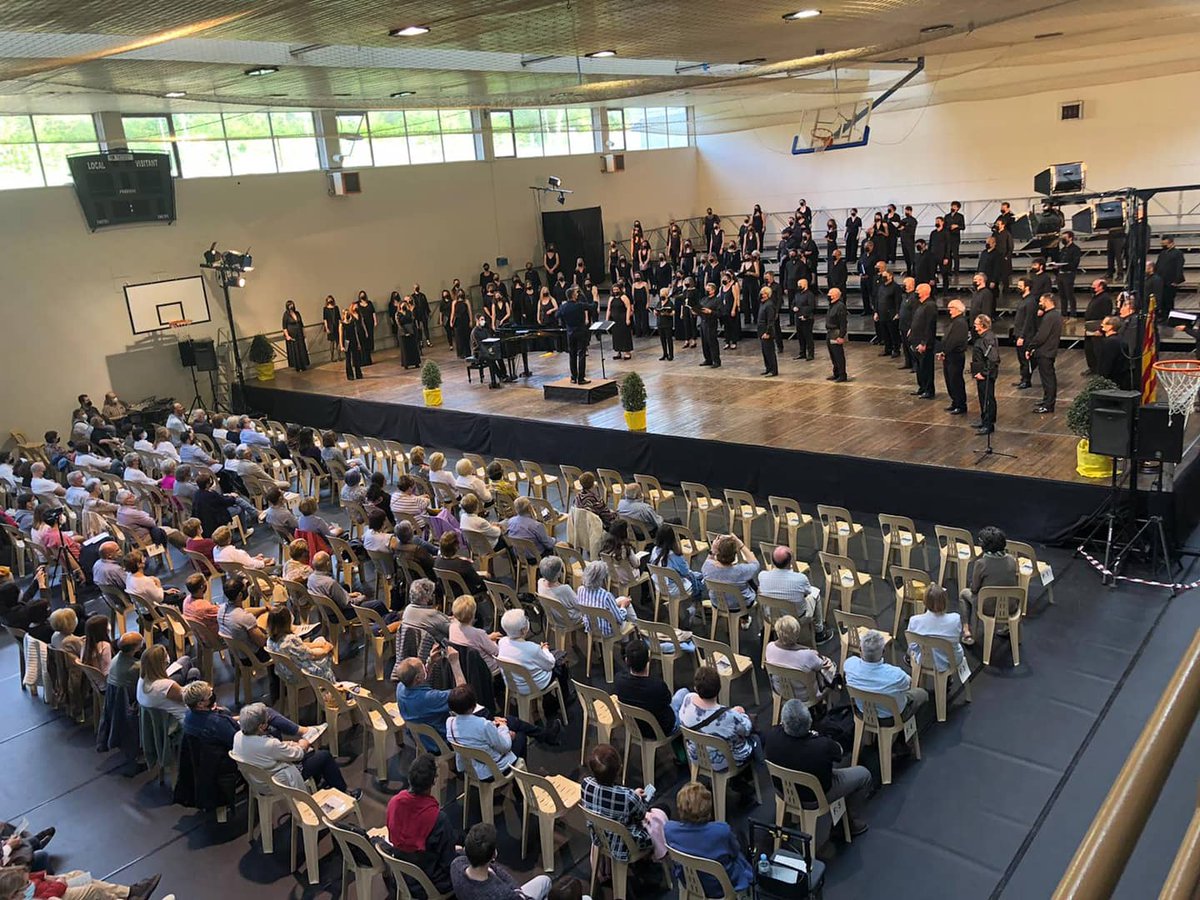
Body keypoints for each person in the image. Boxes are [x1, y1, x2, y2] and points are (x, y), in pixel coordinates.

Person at [764, 699, 871, 836]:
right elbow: (839, 752)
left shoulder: (771, 736)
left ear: (784, 723)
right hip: (817, 796)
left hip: (783, 791)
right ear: (809, 722)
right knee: (864, 774)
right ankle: (848, 823)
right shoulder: (822, 745)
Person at [232, 701, 356, 795]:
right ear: (261, 727)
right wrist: (303, 743)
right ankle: (343, 792)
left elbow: (271, 750)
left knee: (312, 755)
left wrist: (288, 745)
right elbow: (298, 755)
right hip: (278, 782)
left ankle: (319, 784)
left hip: (259, 781)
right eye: (266, 721)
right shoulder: (270, 745)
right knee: (323, 756)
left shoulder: (238, 736)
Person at [382, 753, 457, 897]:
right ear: (433, 781)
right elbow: (448, 863)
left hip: (401, 874)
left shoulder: (394, 803)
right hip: (428, 882)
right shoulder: (438, 819)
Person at [581, 743, 669, 865]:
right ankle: (659, 854)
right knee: (662, 809)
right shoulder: (628, 797)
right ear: (619, 769)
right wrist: (638, 798)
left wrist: (634, 795)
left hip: (601, 837)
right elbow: (641, 815)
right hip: (626, 845)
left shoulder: (586, 784)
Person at [664, 782, 755, 898]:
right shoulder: (721, 831)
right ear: (708, 808)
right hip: (723, 886)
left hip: (691, 883)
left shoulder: (669, 829)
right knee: (741, 840)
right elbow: (734, 852)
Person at [677, 666, 759, 789]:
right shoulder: (729, 716)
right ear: (719, 688)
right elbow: (747, 730)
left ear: (696, 688)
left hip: (697, 757)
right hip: (725, 763)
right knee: (757, 738)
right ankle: (746, 779)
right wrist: (740, 713)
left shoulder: (687, 699)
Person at [447, 684, 547, 776]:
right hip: (495, 769)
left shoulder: (450, 723)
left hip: (473, 768)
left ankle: (545, 736)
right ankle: (521, 778)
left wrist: (495, 724)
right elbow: (505, 747)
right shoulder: (483, 724)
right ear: (474, 705)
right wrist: (504, 728)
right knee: (520, 736)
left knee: (511, 721)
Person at [182, 680, 300, 749]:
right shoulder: (217, 723)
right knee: (269, 721)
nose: (212, 694)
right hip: (241, 748)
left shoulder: (188, 716)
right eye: (209, 694)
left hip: (219, 750)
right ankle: (288, 743)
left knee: (262, 711)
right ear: (200, 704)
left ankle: (299, 731)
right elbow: (239, 740)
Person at [497, 608, 571, 717]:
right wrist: (544, 650)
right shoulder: (532, 648)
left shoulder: (502, 642)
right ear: (523, 630)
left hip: (513, 683)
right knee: (560, 661)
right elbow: (550, 665)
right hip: (535, 685)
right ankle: (564, 700)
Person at [451, 822, 552, 900]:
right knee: (545, 881)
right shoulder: (502, 893)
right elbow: (518, 895)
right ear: (494, 854)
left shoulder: (456, 865)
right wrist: (517, 891)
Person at [844, 629, 927, 721]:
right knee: (922, 694)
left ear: (860, 649)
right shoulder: (897, 675)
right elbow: (908, 684)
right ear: (883, 651)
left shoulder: (849, 665)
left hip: (863, 713)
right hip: (892, 719)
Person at [395, 647, 467, 747]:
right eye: (423, 667)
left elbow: (419, 681)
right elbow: (463, 694)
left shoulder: (400, 687)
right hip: (440, 742)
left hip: (420, 738)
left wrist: (431, 662)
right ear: (418, 678)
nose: (425, 667)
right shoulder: (429, 698)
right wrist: (455, 663)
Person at [615, 638, 680, 737]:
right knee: (684, 693)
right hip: (663, 730)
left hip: (635, 728)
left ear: (627, 660)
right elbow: (668, 701)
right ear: (648, 659)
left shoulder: (619, 680)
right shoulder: (657, 686)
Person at [757, 546, 827, 639]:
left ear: (772, 561)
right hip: (797, 618)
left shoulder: (762, 576)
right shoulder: (800, 578)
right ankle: (819, 631)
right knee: (815, 592)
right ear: (790, 561)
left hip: (772, 617)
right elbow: (808, 592)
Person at [765, 615, 837, 703]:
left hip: (780, 692)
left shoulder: (769, 648)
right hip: (806, 696)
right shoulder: (807, 655)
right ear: (797, 634)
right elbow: (822, 666)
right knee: (828, 666)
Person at [0, 865, 161, 900]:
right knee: (91, 890)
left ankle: (129, 892)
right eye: (26, 885)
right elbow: (44, 896)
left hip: (49, 889)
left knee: (78, 874)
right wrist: (59, 884)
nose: (29, 884)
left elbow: (26, 877)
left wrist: (43, 876)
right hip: (53, 893)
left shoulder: (10, 881)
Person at [266, 604, 337, 682]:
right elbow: (312, 655)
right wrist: (326, 649)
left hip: (286, 672)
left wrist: (318, 645)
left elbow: (300, 646)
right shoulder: (290, 640)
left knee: (320, 640)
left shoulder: (270, 641)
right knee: (327, 651)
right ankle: (331, 682)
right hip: (302, 674)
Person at [136, 644, 199, 722]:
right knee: (194, 672)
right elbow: (188, 698)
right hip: (179, 720)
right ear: (161, 664)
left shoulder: (141, 680)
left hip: (157, 715)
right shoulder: (166, 686)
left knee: (186, 661)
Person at [576, 560, 638, 637]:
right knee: (626, 605)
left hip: (591, 627)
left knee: (622, 599)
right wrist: (623, 606)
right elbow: (619, 619)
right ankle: (637, 629)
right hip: (608, 631)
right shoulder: (606, 596)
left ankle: (632, 633)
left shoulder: (580, 590)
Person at [701, 534, 760, 611]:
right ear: (734, 554)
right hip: (741, 606)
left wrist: (713, 549)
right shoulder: (741, 571)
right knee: (750, 580)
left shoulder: (707, 567)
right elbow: (756, 564)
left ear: (717, 552)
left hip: (717, 603)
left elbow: (709, 559)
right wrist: (741, 545)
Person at [1027, 293, 1064, 414]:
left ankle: (1048, 405)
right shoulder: (1053, 315)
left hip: (1045, 352)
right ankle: (1047, 400)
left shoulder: (1050, 317)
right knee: (1047, 378)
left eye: (1041, 301)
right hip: (1048, 351)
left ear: (1048, 301)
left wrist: (1031, 347)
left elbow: (1041, 335)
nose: (1040, 303)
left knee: (1048, 379)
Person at [450, 594, 501, 675]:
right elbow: (496, 652)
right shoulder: (478, 633)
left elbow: (470, 640)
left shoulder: (452, 627)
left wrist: (487, 638)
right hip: (486, 669)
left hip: (465, 666)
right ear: (474, 613)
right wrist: (494, 642)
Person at [556, 285, 598, 385]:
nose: (577, 294)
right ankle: (581, 378)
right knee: (582, 354)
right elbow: (593, 306)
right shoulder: (579, 305)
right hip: (580, 332)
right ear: (573, 296)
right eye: (576, 293)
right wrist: (595, 296)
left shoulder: (564, 306)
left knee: (572, 355)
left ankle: (573, 377)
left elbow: (557, 315)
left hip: (570, 333)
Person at [938, 299, 969, 415]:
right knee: (950, 380)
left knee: (956, 381)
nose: (949, 311)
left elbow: (955, 341)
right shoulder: (955, 321)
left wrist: (944, 351)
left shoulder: (960, 322)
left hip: (955, 356)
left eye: (951, 308)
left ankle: (961, 405)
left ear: (957, 309)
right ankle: (955, 402)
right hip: (949, 355)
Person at [971, 314, 1000, 435]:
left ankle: (989, 424)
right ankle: (984, 420)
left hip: (986, 375)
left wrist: (983, 373)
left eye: (976, 324)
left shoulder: (988, 339)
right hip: (981, 373)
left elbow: (993, 359)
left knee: (988, 399)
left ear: (983, 325)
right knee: (983, 398)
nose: (974, 326)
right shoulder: (984, 338)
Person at [536, 556, 583, 626]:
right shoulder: (565, 589)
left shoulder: (540, 583)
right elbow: (580, 606)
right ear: (558, 574)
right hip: (570, 620)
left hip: (553, 618)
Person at [1083, 279, 1115, 375]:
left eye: (1094, 285)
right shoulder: (1095, 297)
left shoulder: (1105, 299)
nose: (1092, 287)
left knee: (1097, 350)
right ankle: (1092, 368)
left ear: (1101, 287)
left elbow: (1106, 315)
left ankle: (1099, 370)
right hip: (1089, 327)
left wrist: (1101, 329)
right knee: (1089, 349)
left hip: (1097, 327)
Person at [1012, 277, 1039, 389]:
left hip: (1026, 336)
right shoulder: (1023, 300)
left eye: (1020, 286)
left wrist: (1022, 336)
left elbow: (1028, 321)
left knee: (1025, 359)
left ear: (1027, 287)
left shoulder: (1030, 302)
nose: (1018, 288)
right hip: (1019, 333)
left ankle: (1026, 380)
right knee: (1021, 359)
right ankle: (1023, 378)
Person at [181, 572, 219, 643]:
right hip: (214, 638)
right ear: (202, 587)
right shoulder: (205, 607)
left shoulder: (186, 600)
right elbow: (223, 615)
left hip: (201, 637)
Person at [1157, 236, 1186, 317]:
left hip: (1171, 281)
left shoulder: (1178, 253)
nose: (1163, 245)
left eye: (1165, 244)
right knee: (1161, 300)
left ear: (1171, 243)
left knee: (1169, 301)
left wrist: (1176, 281)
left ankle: (1168, 316)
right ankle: (1162, 316)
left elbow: (1179, 267)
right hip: (1161, 281)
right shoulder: (1162, 253)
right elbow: (1158, 265)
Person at [825, 287, 848, 382]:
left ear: (835, 295)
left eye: (830, 294)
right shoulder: (831, 305)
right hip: (829, 332)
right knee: (833, 355)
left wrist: (841, 336)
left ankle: (842, 375)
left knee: (838, 355)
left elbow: (843, 323)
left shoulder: (840, 306)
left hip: (836, 333)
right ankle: (836, 373)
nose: (828, 295)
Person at [1057, 230, 1082, 317]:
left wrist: (1064, 265)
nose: (1063, 239)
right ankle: (1063, 314)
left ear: (1070, 238)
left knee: (1069, 295)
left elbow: (1075, 263)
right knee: (1062, 295)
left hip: (1069, 274)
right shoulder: (1063, 249)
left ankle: (1073, 314)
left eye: (1065, 238)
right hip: (1061, 273)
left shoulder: (1076, 249)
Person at [281, 299, 309, 372]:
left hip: (299, 333)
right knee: (295, 350)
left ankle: (303, 365)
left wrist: (304, 333)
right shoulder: (286, 315)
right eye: (290, 305)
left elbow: (301, 324)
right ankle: (297, 367)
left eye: (292, 304)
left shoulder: (297, 313)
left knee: (301, 349)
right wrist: (287, 336)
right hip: (292, 335)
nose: (291, 306)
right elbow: (284, 327)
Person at [340, 305, 365, 381]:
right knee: (348, 359)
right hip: (346, 342)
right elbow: (341, 335)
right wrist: (341, 345)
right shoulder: (341, 324)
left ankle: (358, 374)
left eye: (348, 313)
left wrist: (358, 343)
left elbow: (356, 333)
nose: (347, 315)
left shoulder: (352, 322)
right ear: (343, 315)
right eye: (345, 314)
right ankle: (350, 375)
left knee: (356, 358)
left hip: (353, 340)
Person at [322, 295, 341, 361]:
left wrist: (340, 326)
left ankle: (339, 356)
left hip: (336, 326)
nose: (330, 301)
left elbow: (339, 318)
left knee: (338, 341)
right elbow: (325, 319)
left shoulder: (336, 308)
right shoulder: (325, 309)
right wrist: (327, 328)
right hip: (330, 327)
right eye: (329, 300)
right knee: (332, 342)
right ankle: (332, 357)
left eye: (331, 299)